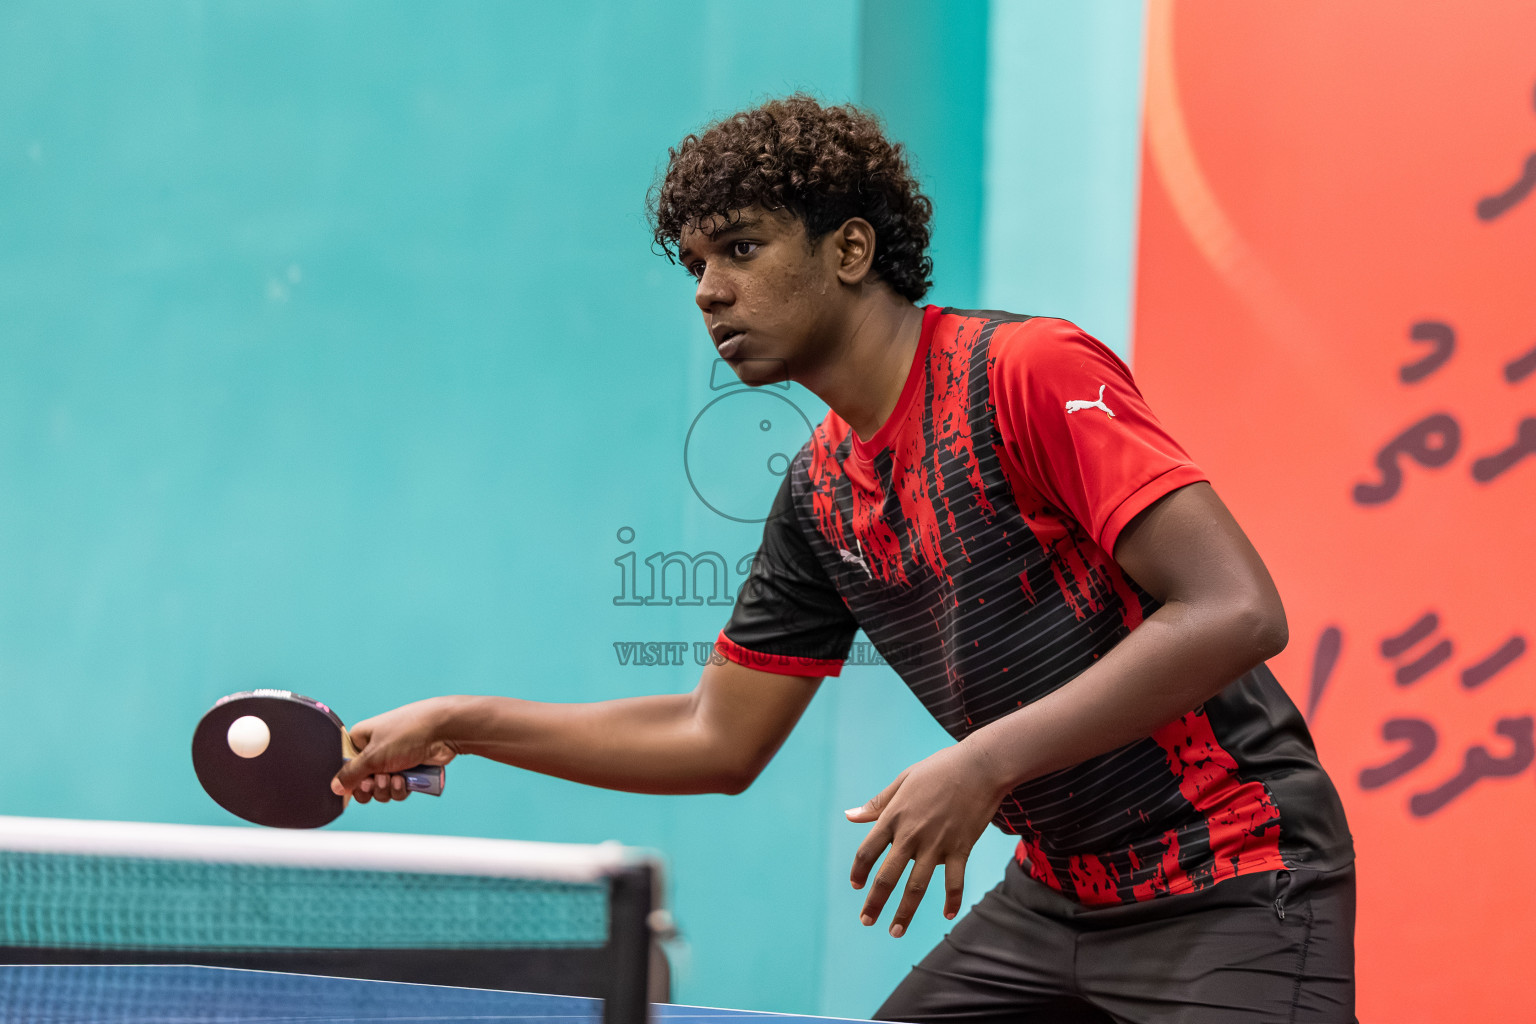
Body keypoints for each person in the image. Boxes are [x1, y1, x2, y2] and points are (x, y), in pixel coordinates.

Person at [332, 95, 1356, 1023]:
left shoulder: (1024, 374)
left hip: (1238, 878)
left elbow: (1235, 609)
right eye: (694, 265)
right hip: (1060, 896)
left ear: (852, 249)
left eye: (738, 248)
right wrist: (462, 724)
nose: (707, 292)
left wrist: (983, 762)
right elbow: (714, 737)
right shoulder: (821, 493)